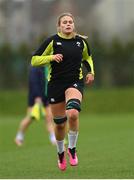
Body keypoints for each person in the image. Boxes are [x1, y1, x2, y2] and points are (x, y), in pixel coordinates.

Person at [31, 12, 94, 171]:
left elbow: (87, 58)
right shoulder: (52, 41)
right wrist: (51, 58)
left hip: (74, 83)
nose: (68, 24)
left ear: (74, 25)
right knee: (59, 125)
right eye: (64, 22)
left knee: (73, 113)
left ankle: (72, 149)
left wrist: (91, 72)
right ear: (59, 26)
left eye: (70, 22)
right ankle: (60, 153)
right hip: (55, 85)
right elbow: (34, 60)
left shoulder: (81, 42)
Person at [15, 65, 56, 146]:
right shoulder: (35, 67)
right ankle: (19, 137)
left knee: (49, 117)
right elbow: (33, 83)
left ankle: (53, 138)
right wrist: (37, 97)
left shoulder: (47, 66)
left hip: (46, 96)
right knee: (30, 118)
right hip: (35, 97)